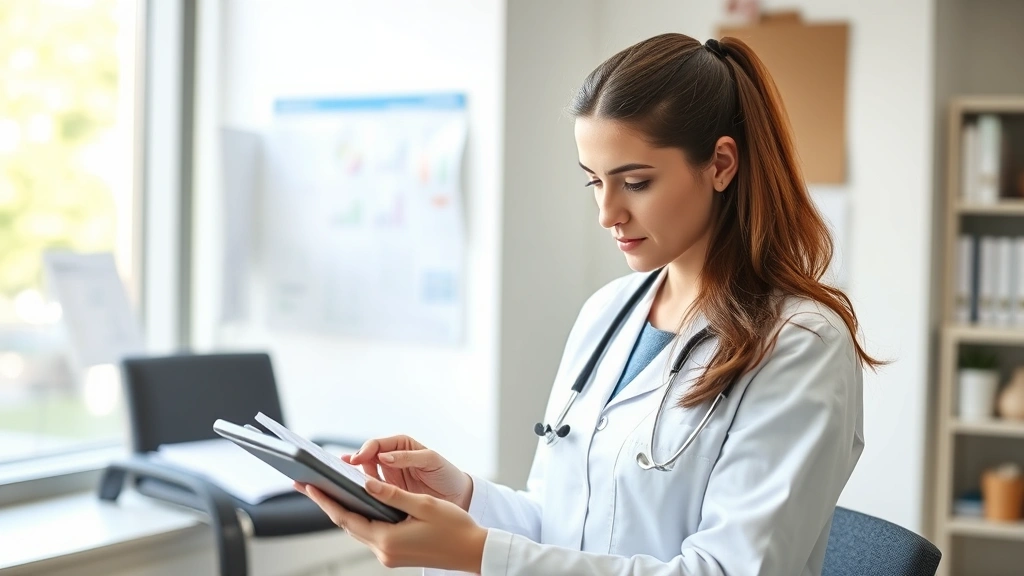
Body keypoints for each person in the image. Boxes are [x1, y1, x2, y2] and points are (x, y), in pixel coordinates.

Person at [296, 32, 882, 575]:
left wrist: (478, 554)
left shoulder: (801, 344)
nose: (608, 214)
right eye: (594, 181)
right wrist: (463, 497)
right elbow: (562, 523)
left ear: (721, 164)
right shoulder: (609, 312)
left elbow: (725, 571)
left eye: (636, 182)